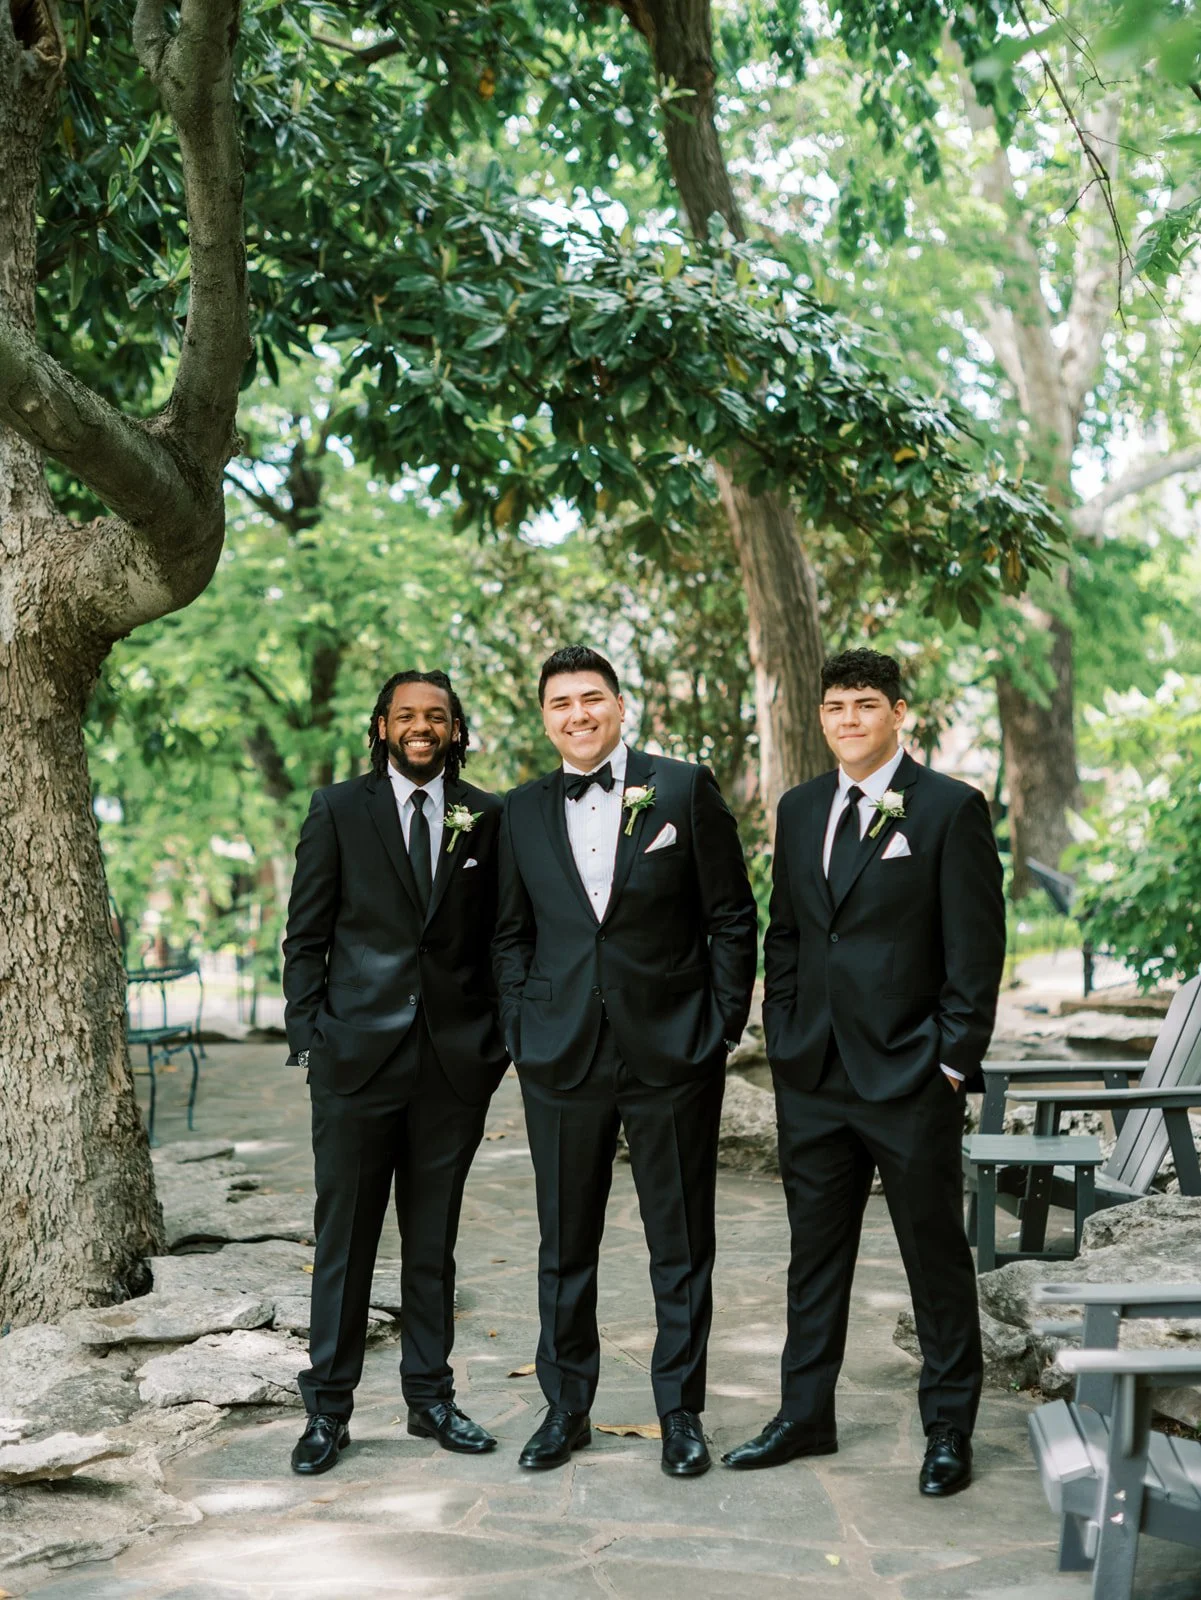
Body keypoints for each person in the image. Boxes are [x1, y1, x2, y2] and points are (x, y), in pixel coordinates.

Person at [723, 649, 1004, 1497]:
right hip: (812, 1074)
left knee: (933, 1256)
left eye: (865, 704)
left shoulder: (949, 808)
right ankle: (804, 1414)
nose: (849, 719)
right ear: (820, 717)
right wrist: (783, 1034)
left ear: (897, 713)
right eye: (835, 706)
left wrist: (949, 1062)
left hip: (909, 1074)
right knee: (812, 1257)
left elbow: (975, 948)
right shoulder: (800, 807)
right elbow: (788, 932)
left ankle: (948, 1428)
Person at [494, 645, 758, 1478]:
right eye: (560, 703)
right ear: (545, 718)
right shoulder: (519, 810)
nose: (577, 714)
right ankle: (565, 1407)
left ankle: (679, 1412)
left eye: (591, 698)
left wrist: (718, 1026)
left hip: (672, 1050)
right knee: (563, 1244)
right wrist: (521, 1028)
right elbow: (508, 935)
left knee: (679, 1243)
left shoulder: (681, 789)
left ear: (618, 705)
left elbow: (730, 916)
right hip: (559, 1053)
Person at [281, 669, 507, 1474]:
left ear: (455, 730)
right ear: (381, 726)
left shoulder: (487, 815)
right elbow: (306, 935)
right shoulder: (337, 809)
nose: (421, 727)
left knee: (432, 1242)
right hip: (354, 1064)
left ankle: (430, 1399)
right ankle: (328, 1410)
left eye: (436, 716)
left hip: (452, 1065)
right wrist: (313, 1037)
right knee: (344, 1241)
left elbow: (500, 937)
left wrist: (494, 1043)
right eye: (406, 715)